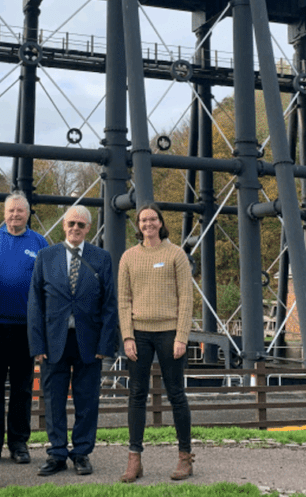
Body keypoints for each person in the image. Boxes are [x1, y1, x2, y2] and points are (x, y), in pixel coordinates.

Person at [28, 205, 117, 477]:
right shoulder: (46, 256)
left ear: (88, 228)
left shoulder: (101, 258)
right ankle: (56, 453)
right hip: (55, 339)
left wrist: (105, 346)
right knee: (53, 399)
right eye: (71, 224)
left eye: (81, 224)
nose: (75, 228)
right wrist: (37, 346)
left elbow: (110, 305)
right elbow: (35, 304)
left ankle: (81, 452)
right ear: (63, 226)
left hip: (88, 341)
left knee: (87, 400)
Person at [117, 203, 195, 482]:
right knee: (137, 395)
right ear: (138, 226)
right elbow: (123, 301)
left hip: (169, 333)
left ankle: (185, 457)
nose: (148, 224)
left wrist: (181, 337)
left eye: (152, 219)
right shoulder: (128, 257)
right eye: (143, 220)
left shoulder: (176, 255)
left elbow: (186, 298)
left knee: (176, 394)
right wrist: (127, 336)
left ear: (161, 223)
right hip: (139, 334)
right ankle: (134, 459)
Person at [0, 193, 48, 462]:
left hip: (25, 327)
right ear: (4, 212)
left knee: (21, 389)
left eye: (20, 211)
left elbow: (45, 285)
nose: (15, 215)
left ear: (28, 214)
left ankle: (19, 443)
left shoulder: (39, 242)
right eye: (11, 211)